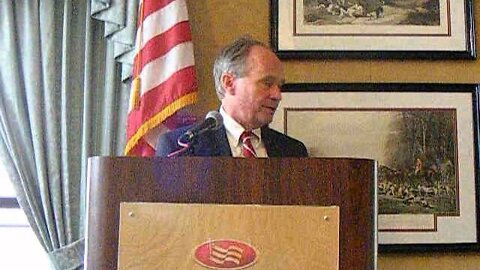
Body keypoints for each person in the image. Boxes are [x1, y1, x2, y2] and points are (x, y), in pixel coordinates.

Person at [156, 36, 308, 157]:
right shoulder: (182, 147)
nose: (277, 95)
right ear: (229, 83)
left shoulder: (293, 152)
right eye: (267, 83)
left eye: (279, 86)